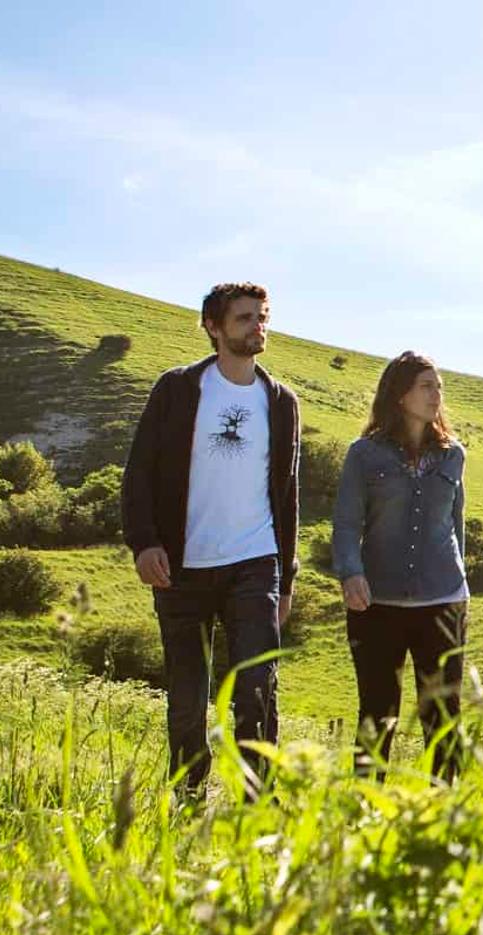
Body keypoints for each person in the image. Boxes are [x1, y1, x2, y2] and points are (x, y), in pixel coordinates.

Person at [121, 282, 300, 802]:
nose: (257, 327)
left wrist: (285, 577)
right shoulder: (177, 390)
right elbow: (140, 473)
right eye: (245, 319)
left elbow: (288, 495)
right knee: (186, 694)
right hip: (182, 566)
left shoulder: (281, 401)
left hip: (255, 561)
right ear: (214, 327)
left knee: (256, 687)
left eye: (262, 317)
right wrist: (144, 542)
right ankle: (188, 795)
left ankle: (257, 802)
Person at [332, 352, 470, 783]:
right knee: (377, 712)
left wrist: (461, 586)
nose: (437, 395)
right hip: (378, 603)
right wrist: (350, 573)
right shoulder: (364, 455)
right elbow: (346, 521)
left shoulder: (453, 456)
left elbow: (456, 524)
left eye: (439, 387)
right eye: (427, 386)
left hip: (443, 602)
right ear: (400, 394)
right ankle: (364, 813)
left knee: (442, 715)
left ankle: (445, 816)